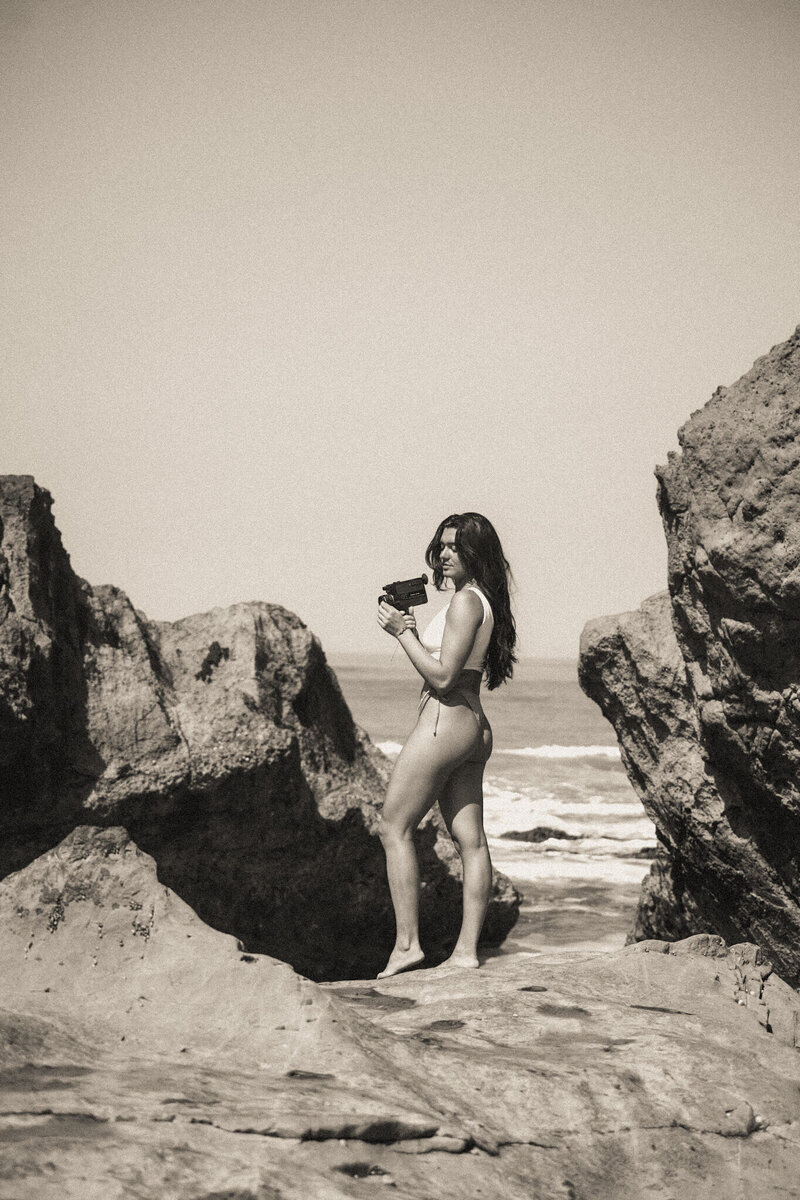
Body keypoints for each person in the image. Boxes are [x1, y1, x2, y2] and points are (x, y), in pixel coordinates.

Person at [376, 512, 517, 978]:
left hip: (446, 721)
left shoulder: (464, 603)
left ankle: (407, 945)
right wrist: (414, 634)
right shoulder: (482, 601)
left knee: (393, 826)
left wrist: (402, 633)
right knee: (471, 842)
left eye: (456, 546)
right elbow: (455, 667)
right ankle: (466, 953)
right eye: (442, 545)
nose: (445, 554)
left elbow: (442, 677)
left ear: (477, 553)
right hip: (474, 726)